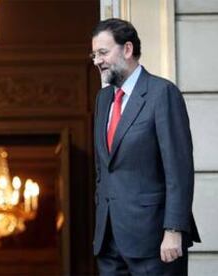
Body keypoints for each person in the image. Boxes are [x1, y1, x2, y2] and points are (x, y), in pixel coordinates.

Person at [91, 18, 200, 275]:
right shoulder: (103, 99)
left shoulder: (162, 93)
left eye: (103, 52)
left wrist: (173, 230)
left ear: (127, 49)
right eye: (94, 54)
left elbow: (179, 169)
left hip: (154, 242)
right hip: (109, 241)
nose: (97, 61)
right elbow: (103, 169)